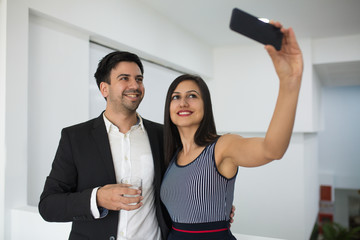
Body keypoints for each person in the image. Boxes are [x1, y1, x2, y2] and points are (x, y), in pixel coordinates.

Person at [160, 21, 303, 240]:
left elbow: (271, 149)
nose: (183, 103)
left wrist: (289, 81)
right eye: (175, 97)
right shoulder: (172, 156)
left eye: (192, 96)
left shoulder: (222, 146)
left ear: (205, 105)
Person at [38, 51, 171, 240]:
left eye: (139, 79)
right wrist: (97, 198)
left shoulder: (163, 135)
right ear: (104, 89)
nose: (135, 85)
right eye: (124, 78)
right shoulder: (75, 138)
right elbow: (49, 206)